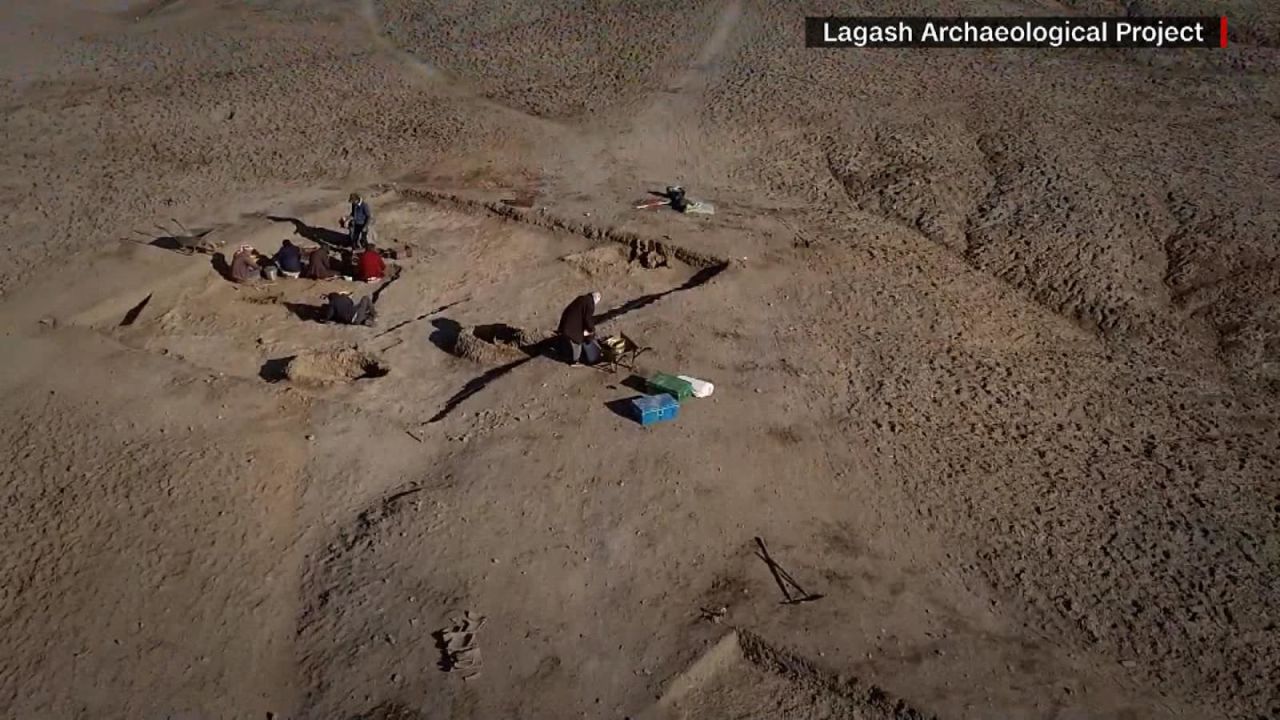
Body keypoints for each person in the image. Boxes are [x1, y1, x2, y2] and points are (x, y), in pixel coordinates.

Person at [557, 291, 600, 366]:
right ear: (596, 299)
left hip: (566, 321)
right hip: (571, 326)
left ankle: (565, 350)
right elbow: (588, 319)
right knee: (577, 344)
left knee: (568, 338)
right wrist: (591, 330)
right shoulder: (590, 305)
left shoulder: (582, 298)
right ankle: (574, 361)